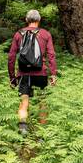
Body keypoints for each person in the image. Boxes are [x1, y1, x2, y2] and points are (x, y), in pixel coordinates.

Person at [8, 9, 57, 137]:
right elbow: (51, 55)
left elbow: (11, 56)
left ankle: (23, 127)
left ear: (26, 20)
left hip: (24, 73)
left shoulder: (19, 34)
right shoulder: (45, 34)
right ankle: (41, 134)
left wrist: (12, 77)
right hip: (41, 73)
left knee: (24, 101)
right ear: (39, 20)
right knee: (42, 102)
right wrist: (53, 74)